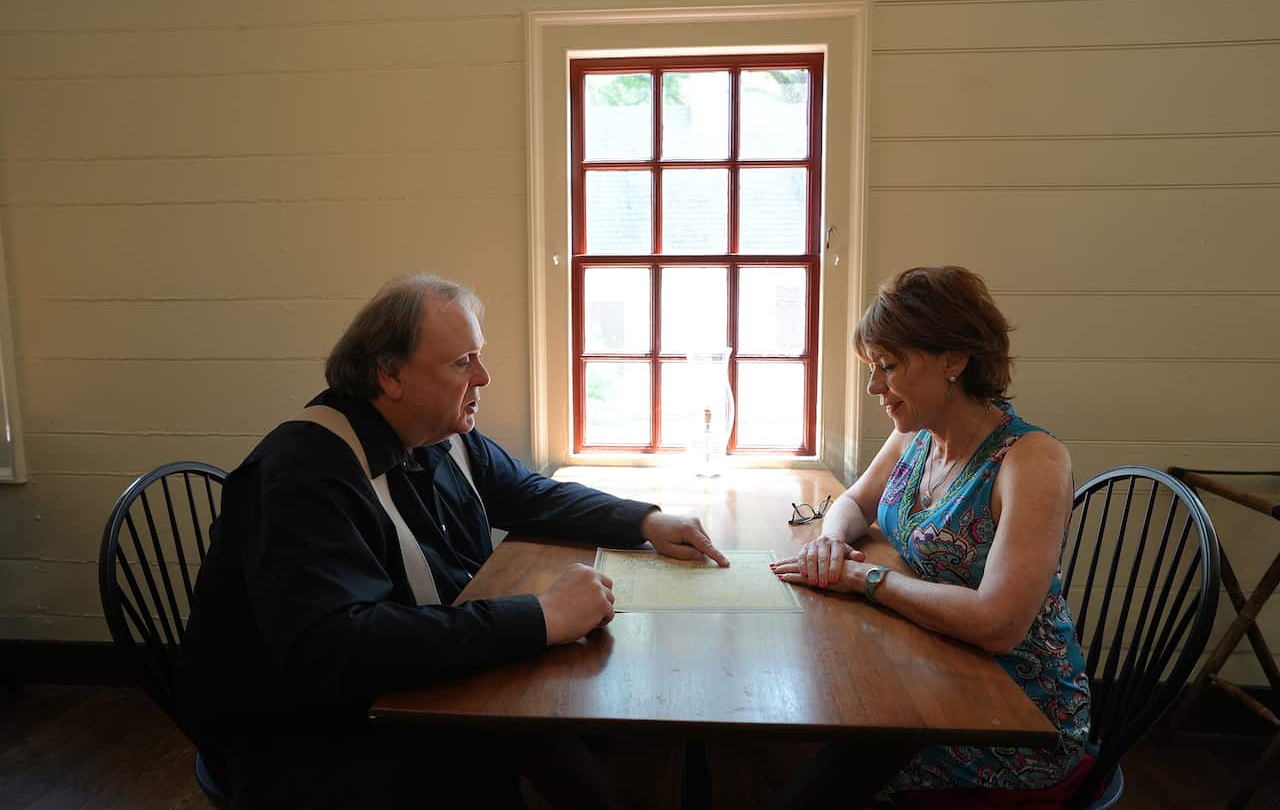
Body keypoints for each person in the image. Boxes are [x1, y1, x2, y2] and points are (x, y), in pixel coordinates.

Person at [176, 272, 728, 809]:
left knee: (581, 711)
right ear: (389, 375)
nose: (483, 376)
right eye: (463, 362)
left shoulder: (436, 433)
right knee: (531, 733)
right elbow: (339, 651)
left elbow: (530, 494)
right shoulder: (304, 474)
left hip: (401, 693)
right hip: (305, 742)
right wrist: (542, 616)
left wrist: (645, 521)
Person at [772, 266, 1091, 796]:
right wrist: (831, 538)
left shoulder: (1032, 459)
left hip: (1014, 712)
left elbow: (998, 625)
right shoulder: (918, 436)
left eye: (888, 366)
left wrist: (868, 580)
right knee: (801, 719)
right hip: (931, 660)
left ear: (954, 361)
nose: (875, 386)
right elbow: (853, 501)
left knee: (817, 746)